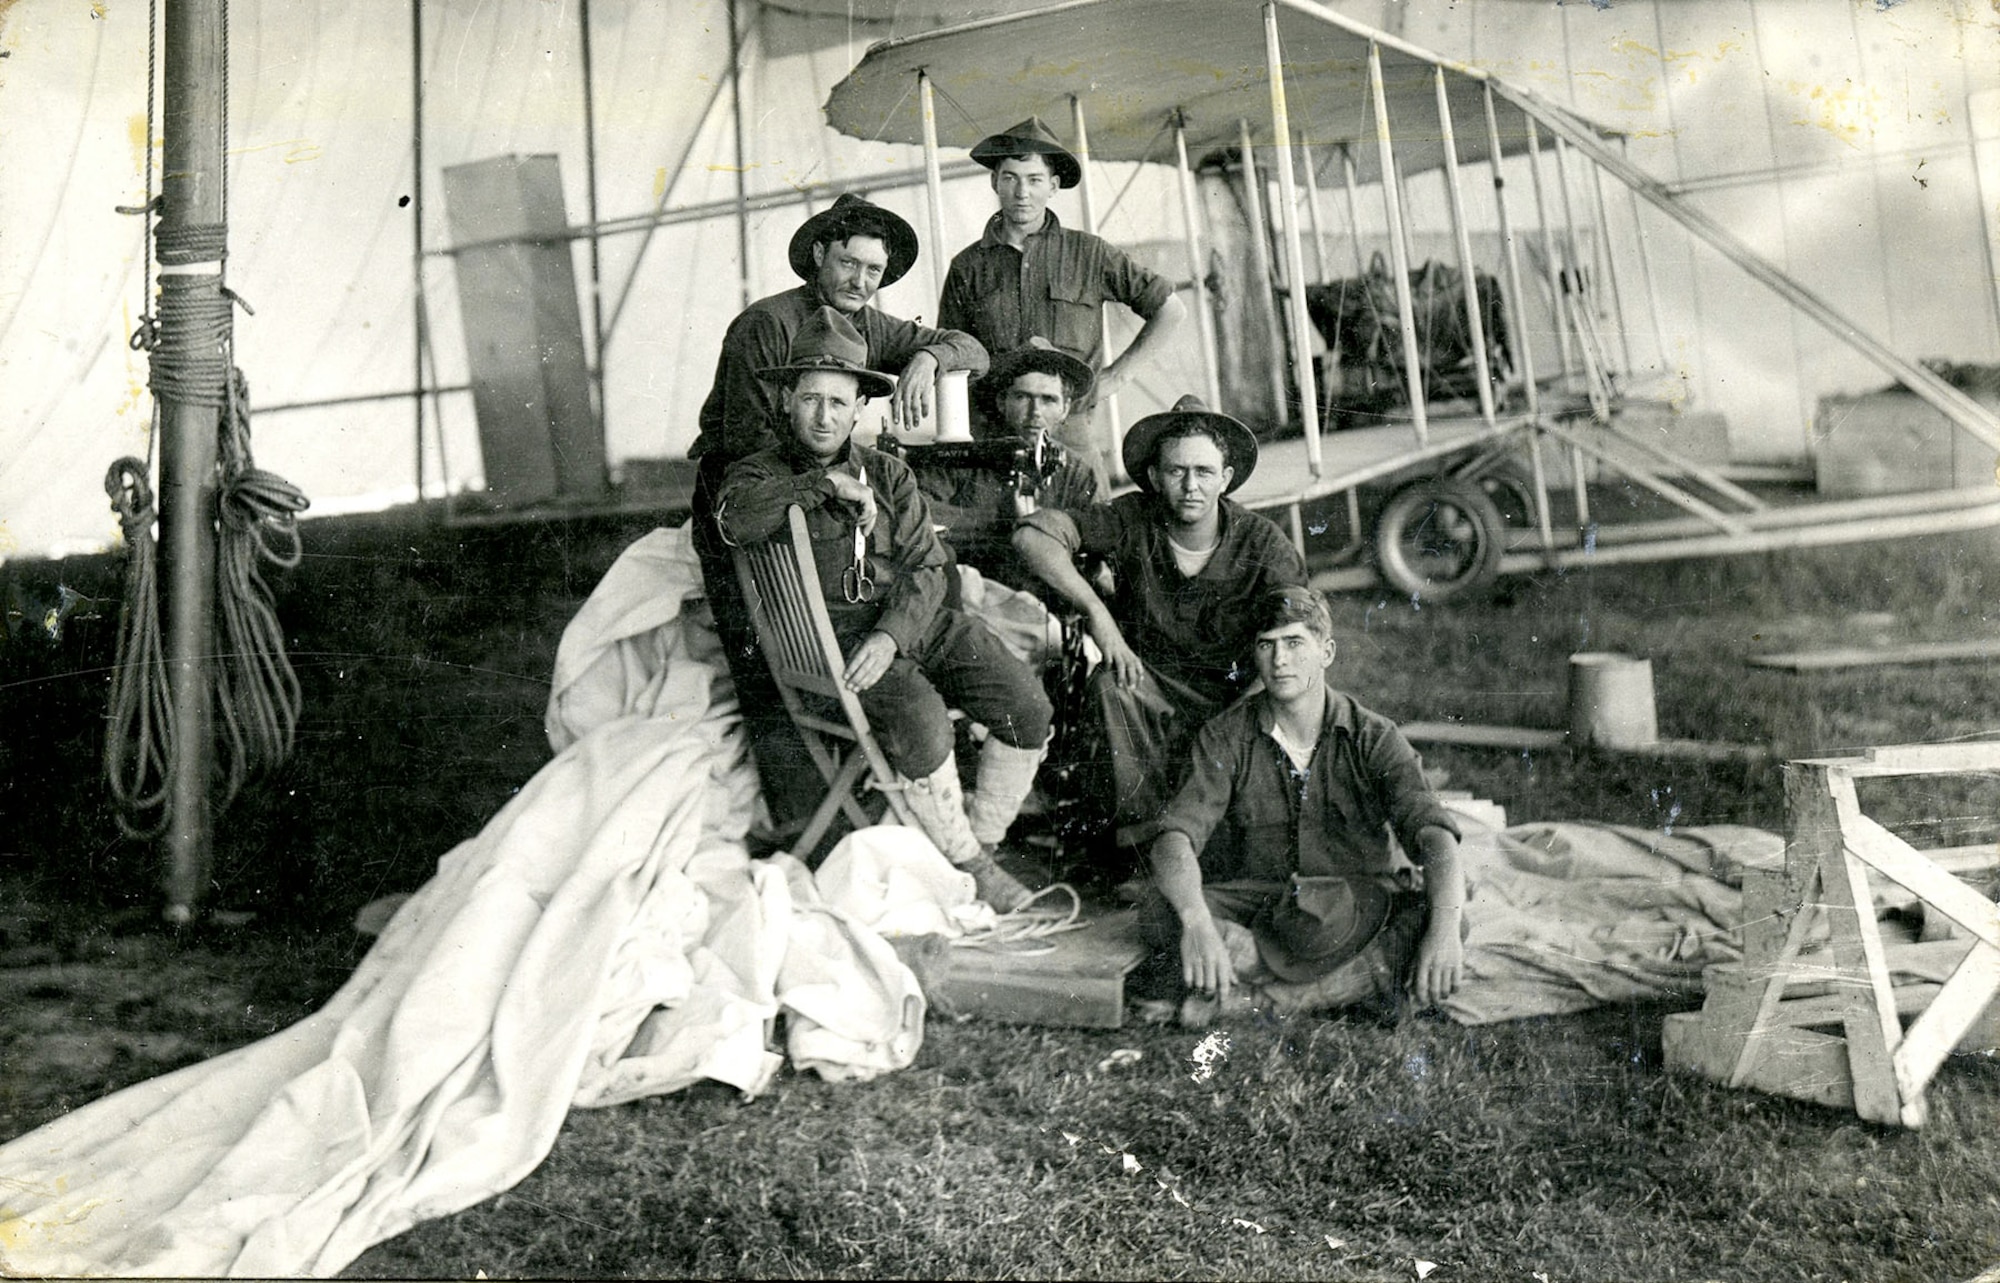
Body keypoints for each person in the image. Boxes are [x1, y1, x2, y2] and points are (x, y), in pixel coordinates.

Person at [716, 307, 1051, 912]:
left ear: (858, 409)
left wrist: (894, 637)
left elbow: (926, 566)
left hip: (906, 627)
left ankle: (977, 845)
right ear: (788, 399)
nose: (824, 417)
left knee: (1026, 706)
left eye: (839, 404)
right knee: (923, 723)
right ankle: (968, 863)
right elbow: (736, 523)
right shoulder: (754, 474)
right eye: (812, 399)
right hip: (833, 646)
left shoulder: (889, 474)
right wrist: (823, 486)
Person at [690, 193, 988, 829]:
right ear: (818, 254)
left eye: (874, 272)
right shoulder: (763, 326)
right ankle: (810, 823)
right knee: (773, 658)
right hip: (749, 499)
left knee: (915, 588)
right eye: (849, 264)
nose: (861, 282)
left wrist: (929, 358)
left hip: (828, 489)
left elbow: (974, 349)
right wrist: (839, 484)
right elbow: (754, 450)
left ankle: (890, 793)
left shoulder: (871, 323)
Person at [1139, 584, 1467, 1026]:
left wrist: (1444, 934)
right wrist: (1197, 923)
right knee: (1163, 912)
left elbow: (1434, 835)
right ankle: (1356, 987)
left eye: (1295, 643)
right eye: (1266, 645)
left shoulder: (1373, 735)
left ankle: (1260, 1001)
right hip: (1264, 904)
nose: (1280, 660)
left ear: (1326, 652)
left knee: (1448, 917)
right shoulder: (1225, 736)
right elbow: (1174, 839)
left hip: (1357, 905)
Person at [1013, 394, 1307, 856]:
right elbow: (1033, 535)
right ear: (1154, 476)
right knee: (1112, 687)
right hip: (1151, 691)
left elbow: (1300, 629)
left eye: (1205, 472)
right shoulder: (1134, 518)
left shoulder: (1261, 542)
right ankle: (1143, 849)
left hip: (1235, 699)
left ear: (1226, 479)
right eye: (1176, 471)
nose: (1191, 486)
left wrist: (1257, 702)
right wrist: (1099, 614)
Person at [938, 117, 1186, 478]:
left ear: (1053, 186)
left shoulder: (1090, 253)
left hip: (1071, 431)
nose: (1022, 192)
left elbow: (1170, 310)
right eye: (1010, 178)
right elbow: (952, 357)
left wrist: (1117, 376)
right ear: (995, 182)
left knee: (1088, 527)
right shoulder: (967, 267)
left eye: (1035, 180)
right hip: (995, 436)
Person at [912, 337, 1100, 593]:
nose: (1035, 412)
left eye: (1048, 400)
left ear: (1066, 408)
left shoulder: (1078, 474)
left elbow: (1094, 550)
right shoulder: (963, 456)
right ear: (1002, 402)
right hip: (975, 592)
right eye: (1023, 397)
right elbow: (917, 514)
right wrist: (998, 522)